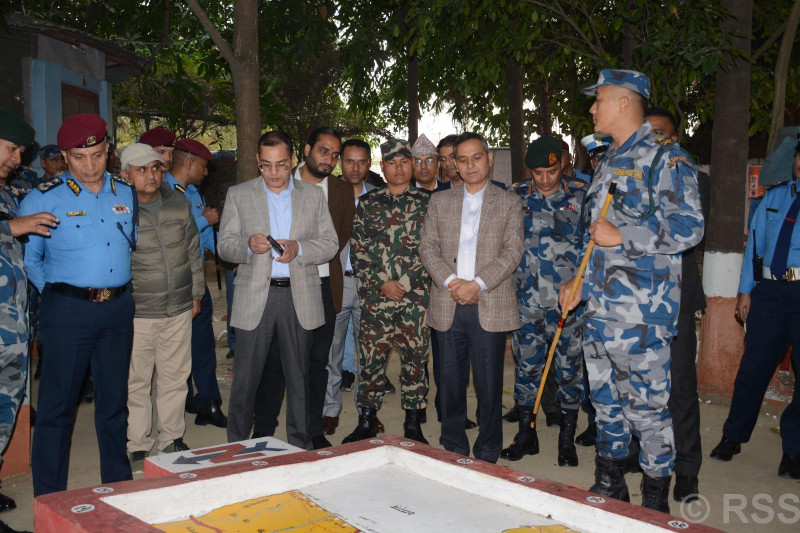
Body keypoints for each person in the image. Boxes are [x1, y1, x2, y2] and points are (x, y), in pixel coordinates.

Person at [559, 69, 704, 513]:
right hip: (600, 311)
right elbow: (593, 236)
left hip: (642, 316)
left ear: (624, 102)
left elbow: (689, 228)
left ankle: (655, 500)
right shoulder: (607, 161)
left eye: (598, 99)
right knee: (605, 406)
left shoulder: (666, 159)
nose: (592, 108)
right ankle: (610, 485)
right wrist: (580, 280)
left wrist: (622, 235)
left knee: (648, 412)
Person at [22, 113, 138, 496]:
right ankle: (49, 498)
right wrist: (60, 294)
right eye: (78, 157)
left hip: (118, 310)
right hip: (68, 312)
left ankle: (118, 490)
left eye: (96, 155)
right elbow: (30, 260)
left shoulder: (125, 190)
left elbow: (128, 243)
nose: (89, 166)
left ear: (108, 150)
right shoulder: (43, 197)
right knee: (57, 411)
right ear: (64, 157)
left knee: (114, 405)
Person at [219, 130, 337, 449]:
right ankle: (237, 448)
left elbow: (330, 244)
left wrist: (300, 248)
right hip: (256, 297)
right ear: (258, 161)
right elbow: (224, 245)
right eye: (266, 165)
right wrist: (246, 245)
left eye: (281, 165)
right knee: (245, 381)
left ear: (293, 161)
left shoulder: (313, 196)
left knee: (299, 380)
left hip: (299, 297)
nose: (273, 173)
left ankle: (299, 447)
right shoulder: (240, 194)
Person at [420, 132, 523, 463]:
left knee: (489, 384)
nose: (469, 165)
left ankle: (488, 448)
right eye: (461, 160)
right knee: (449, 382)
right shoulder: (440, 201)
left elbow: (512, 251)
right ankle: (453, 445)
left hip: (489, 303)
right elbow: (428, 248)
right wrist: (454, 283)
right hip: (448, 302)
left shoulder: (508, 201)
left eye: (476, 157)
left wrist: (476, 284)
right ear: (454, 164)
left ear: (489, 158)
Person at [253, 127, 355, 449]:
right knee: (274, 363)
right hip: (280, 286)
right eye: (324, 151)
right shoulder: (277, 180)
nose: (330, 159)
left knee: (316, 362)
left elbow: (337, 239)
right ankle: (264, 432)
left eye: (335, 155)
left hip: (323, 285)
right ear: (306, 150)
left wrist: (307, 251)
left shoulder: (340, 191)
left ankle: (312, 430)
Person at [709, 139, 800, 481]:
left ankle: (793, 450)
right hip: (771, 293)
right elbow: (754, 251)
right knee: (752, 370)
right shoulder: (774, 198)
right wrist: (746, 290)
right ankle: (733, 436)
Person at [501, 136, 585, 466]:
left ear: (561, 164)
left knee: (568, 371)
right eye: (538, 173)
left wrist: (579, 281)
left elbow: (593, 245)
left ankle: (567, 438)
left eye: (551, 171)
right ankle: (527, 433)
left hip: (567, 303)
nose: (546, 179)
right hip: (526, 301)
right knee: (527, 369)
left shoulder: (580, 194)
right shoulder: (515, 195)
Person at [121, 143, 204, 472]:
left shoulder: (177, 200)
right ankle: (138, 443)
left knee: (175, 376)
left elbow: (193, 248)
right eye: (141, 170)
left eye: (155, 168)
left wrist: (197, 292)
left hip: (179, 305)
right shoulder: (119, 205)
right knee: (137, 379)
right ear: (125, 172)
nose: (151, 175)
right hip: (138, 309)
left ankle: (171, 437)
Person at [342, 139, 431, 444]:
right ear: (383, 167)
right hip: (376, 300)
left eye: (404, 162)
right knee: (371, 362)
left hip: (414, 300)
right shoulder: (368, 204)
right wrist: (383, 282)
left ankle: (412, 422)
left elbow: (434, 252)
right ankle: (367, 419)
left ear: (413, 165)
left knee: (415, 361)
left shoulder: (428, 203)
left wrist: (404, 285)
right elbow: (359, 250)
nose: (399, 168)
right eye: (391, 163)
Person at [645, 107, 711, 501]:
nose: (657, 141)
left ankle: (687, 469)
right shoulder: (628, 175)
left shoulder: (690, 177)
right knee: (641, 387)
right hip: (635, 298)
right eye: (649, 134)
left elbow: (683, 231)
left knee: (680, 388)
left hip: (676, 301)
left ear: (676, 137)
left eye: (663, 134)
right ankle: (647, 458)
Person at [0, 108, 57, 527]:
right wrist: (13, 227)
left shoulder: (5, 192)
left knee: (6, 408)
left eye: (19, 151)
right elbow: (12, 230)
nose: (17, 159)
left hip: (12, 330)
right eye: (11, 148)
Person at [164, 139, 227, 428]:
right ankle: (204, 402)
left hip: (197, 276)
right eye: (203, 166)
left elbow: (201, 240)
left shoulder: (192, 191)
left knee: (198, 342)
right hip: (176, 281)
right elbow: (173, 233)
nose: (205, 172)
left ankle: (201, 400)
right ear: (188, 162)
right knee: (187, 345)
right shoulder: (163, 190)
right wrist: (204, 220)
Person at [323, 138, 375, 436]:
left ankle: (367, 412)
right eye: (350, 161)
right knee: (332, 351)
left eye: (362, 162)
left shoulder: (378, 198)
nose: (355, 168)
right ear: (341, 161)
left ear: (369, 164)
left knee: (369, 354)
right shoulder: (326, 195)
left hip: (369, 286)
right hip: (337, 283)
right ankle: (329, 410)